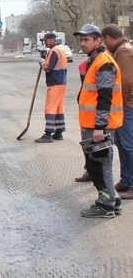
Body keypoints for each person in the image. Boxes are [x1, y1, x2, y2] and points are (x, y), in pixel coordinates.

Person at [75, 24, 123, 218]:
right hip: (92, 123)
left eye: (87, 39)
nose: (83, 43)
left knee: (100, 165)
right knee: (96, 163)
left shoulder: (103, 62)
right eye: (81, 40)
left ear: (98, 41)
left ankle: (106, 204)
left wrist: (99, 127)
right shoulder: (95, 59)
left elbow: (105, 97)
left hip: (99, 125)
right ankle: (114, 199)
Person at [101, 24, 133, 199]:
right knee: (122, 144)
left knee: (129, 146)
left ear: (107, 38)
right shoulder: (121, 50)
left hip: (127, 105)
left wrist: (119, 103)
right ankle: (126, 180)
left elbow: (126, 82)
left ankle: (132, 184)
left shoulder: (124, 52)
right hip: (124, 106)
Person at [34, 32, 68, 143]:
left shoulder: (54, 51)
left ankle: (48, 134)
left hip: (55, 82)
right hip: (61, 82)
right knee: (58, 107)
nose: (44, 43)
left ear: (52, 39)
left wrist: (42, 62)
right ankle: (59, 132)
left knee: (50, 108)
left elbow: (49, 68)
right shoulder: (61, 50)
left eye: (46, 40)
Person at [74, 58, 91, 183]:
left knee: (101, 149)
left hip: (97, 113)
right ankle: (89, 171)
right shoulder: (84, 64)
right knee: (86, 143)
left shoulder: (103, 62)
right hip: (86, 110)